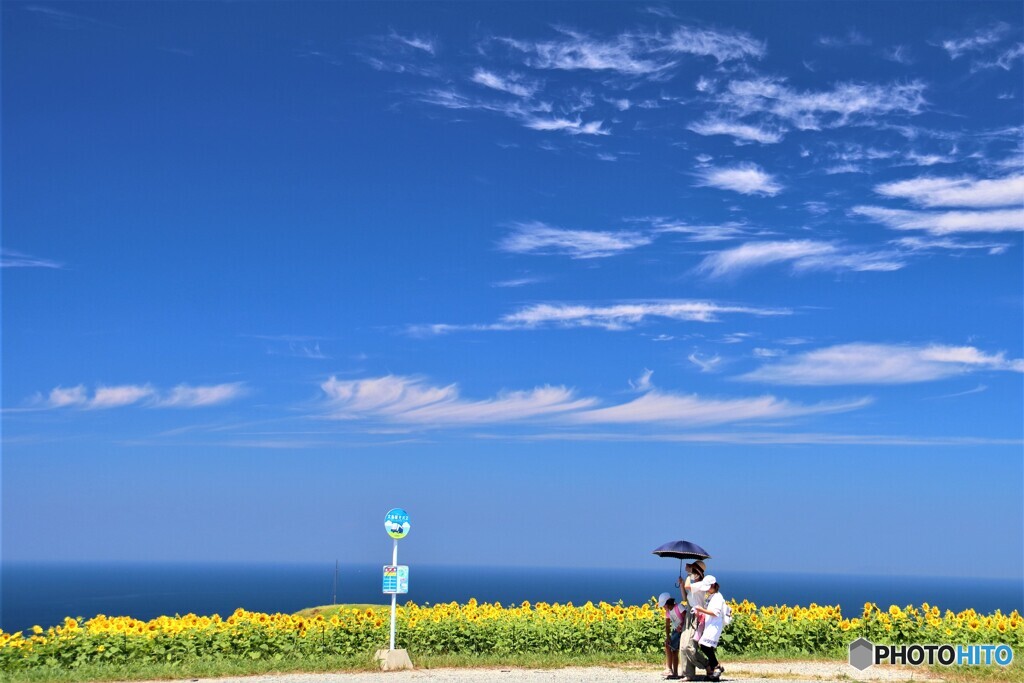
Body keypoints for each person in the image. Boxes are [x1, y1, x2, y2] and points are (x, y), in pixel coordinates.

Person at [677, 561, 709, 680]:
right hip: (689, 615)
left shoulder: (701, 584)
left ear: (697, 573)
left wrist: (688, 575)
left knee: (689, 646)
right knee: (683, 646)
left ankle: (708, 664)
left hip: (697, 617)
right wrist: (681, 584)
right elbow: (685, 598)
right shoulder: (694, 585)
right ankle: (688, 674)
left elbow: (688, 586)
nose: (690, 572)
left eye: (693, 571)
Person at [692, 578, 727, 682]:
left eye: (708, 588)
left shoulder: (718, 597)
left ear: (713, 586)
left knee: (704, 645)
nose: (706, 590)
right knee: (707, 646)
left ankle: (716, 666)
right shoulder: (711, 596)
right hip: (710, 624)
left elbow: (715, 613)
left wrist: (700, 609)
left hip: (715, 626)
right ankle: (712, 672)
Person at [658, 592, 687, 680]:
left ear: (668, 603)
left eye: (664, 605)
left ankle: (675, 672)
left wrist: (681, 625)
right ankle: (673, 671)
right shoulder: (668, 612)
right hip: (675, 632)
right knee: (672, 649)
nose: (663, 607)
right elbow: (667, 625)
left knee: (675, 651)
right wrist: (668, 637)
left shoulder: (679, 607)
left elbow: (686, 618)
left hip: (683, 631)